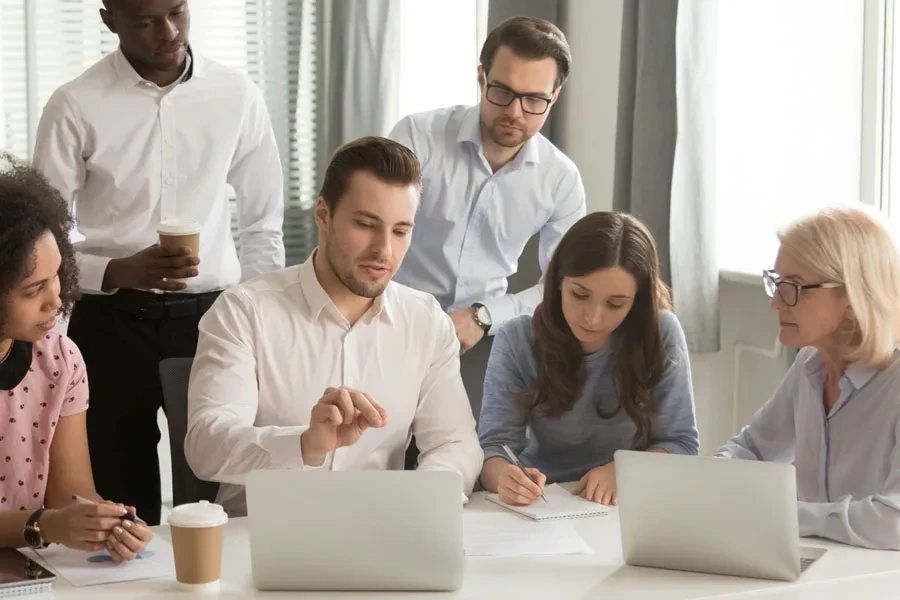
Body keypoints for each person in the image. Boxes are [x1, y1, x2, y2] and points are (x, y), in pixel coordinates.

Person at [31, 0, 285, 525]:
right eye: (146, 20)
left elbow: (263, 223)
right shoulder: (75, 104)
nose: (168, 32)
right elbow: (44, 238)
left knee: (218, 495)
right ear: (109, 20)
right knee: (118, 502)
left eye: (176, 11)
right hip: (111, 324)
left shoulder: (236, 94)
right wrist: (117, 270)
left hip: (212, 322)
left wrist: (259, 322)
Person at [184, 137, 483, 516]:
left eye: (400, 230)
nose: (384, 251)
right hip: (261, 545)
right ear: (323, 214)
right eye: (365, 224)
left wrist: (423, 499)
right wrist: (305, 444)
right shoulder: (245, 311)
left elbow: (456, 444)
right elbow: (206, 446)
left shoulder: (425, 321)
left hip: (380, 540)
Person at [389, 16, 586, 420]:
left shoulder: (560, 180)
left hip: (484, 341)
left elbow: (562, 288)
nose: (515, 112)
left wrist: (484, 315)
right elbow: (374, 231)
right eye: (502, 91)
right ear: (482, 78)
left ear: (556, 96)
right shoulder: (417, 137)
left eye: (534, 100)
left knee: (470, 465)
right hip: (392, 324)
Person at [478, 212, 699, 507]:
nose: (593, 318)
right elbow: (494, 447)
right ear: (557, 282)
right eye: (580, 295)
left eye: (615, 304)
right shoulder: (518, 339)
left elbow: (682, 444)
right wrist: (506, 477)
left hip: (627, 501)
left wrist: (625, 471)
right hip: (545, 502)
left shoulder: (662, 334)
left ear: (638, 300)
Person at [717, 206, 900, 551]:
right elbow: (752, 449)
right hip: (815, 565)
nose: (776, 303)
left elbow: (895, 521)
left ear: (851, 298)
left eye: (794, 287)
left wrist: (791, 515)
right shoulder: (810, 363)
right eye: (776, 283)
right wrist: (712, 481)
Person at [0, 155, 152, 560]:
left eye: (57, 277)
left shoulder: (61, 361)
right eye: (33, 290)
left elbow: (72, 494)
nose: (56, 301)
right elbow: (50, 521)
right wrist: (41, 525)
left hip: (29, 572)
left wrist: (106, 524)